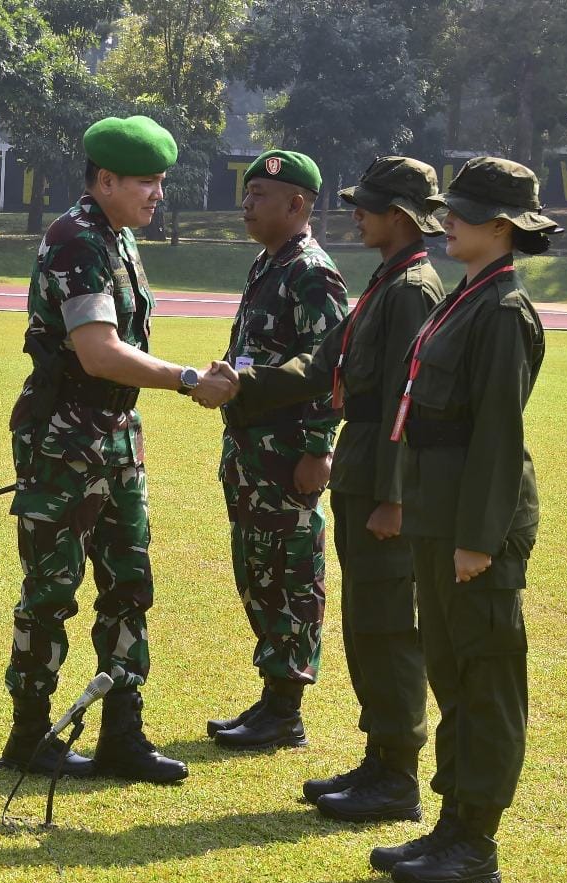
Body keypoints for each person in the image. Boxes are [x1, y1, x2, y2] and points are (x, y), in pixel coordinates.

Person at [217, 156, 561, 883]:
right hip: (437, 510)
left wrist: (475, 536)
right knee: (450, 669)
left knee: (483, 679)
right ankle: (450, 823)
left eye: (462, 213)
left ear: (502, 227)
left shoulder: (499, 310)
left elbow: (497, 435)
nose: (449, 221)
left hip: (465, 521)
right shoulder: (462, 296)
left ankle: (474, 840)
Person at [0, 115, 233, 784]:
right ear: (105, 180)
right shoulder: (76, 239)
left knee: (128, 585)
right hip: (65, 442)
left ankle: (122, 734)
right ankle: (29, 732)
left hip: (115, 438)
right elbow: (98, 353)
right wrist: (189, 379)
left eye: (160, 181)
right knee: (51, 589)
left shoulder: (118, 237)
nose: (158, 193)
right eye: (146, 182)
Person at [295, 157, 446, 824]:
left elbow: (402, 404)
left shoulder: (413, 287)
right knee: (366, 620)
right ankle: (380, 757)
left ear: (403, 217)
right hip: (361, 467)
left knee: (388, 625)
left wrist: (394, 496)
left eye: (370, 204)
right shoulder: (389, 278)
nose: (357, 211)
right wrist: (246, 382)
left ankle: (398, 776)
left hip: (383, 479)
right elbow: (327, 361)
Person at [202, 150, 348, 752]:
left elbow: (332, 368)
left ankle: (286, 711)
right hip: (253, 455)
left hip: (289, 458)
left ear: (299, 204)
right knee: (258, 573)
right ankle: (271, 699)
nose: (247, 203)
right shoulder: (270, 264)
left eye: (260, 193)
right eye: (247, 192)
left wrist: (318, 450)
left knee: (290, 575)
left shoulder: (312, 272)